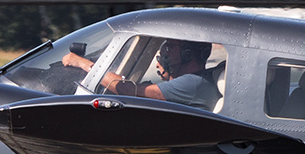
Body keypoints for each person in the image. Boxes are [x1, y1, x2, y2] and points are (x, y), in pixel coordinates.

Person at [63, 38, 218, 110]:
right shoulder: (198, 80)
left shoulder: (193, 83)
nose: (164, 51)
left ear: (187, 53)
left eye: (170, 46)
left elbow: (129, 90)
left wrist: (83, 63)